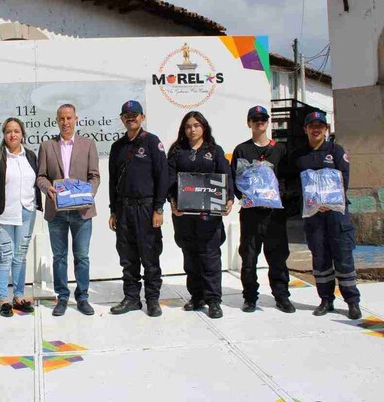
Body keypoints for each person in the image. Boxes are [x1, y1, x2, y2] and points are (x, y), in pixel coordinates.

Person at [290, 111, 361, 319]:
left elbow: (344, 179)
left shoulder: (336, 151)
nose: (316, 129)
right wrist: (310, 200)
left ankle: (352, 302)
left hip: (336, 213)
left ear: (326, 129)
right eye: (312, 125)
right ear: (305, 129)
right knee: (320, 258)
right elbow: (294, 183)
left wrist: (327, 201)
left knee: (343, 256)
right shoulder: (299, 156)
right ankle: (326, 300)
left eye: (320, 125)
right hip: (313, 215)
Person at [167, 111, 233, 319]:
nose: (192, 129)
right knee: (190, 256)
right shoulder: (177, 151)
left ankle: (213, 300)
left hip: (209, 215)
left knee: (210, 256)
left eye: (196, 125)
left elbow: (226, 177)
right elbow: (168, 180)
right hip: (184, 215)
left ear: (204, 127)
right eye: (188, 126)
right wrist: (172, 202)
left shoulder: (214, 151)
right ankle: (197, 296)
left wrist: (228, 199)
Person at [37, 104, 100, 317]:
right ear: (57, 120)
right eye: (62, 118)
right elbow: (41, 176)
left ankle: (82, 297)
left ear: (76, 119)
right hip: (57, 211)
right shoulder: (47, 146)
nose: (66, 122)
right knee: (59, 257)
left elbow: (94, 176)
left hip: (82, 211)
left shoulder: (88, 144)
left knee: (82, 256)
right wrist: (48, 188)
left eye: (69, 118)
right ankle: (62, 297)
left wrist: (87, 193)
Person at [231, 106, 295, 314]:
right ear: (248, 123)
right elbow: (235, 180)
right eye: (255, 119)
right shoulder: (242, 150)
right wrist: (247, 198)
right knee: (249, 257)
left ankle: (281, 296)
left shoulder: (280, 150)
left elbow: (287, 178)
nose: (259, 122)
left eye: (263, 119)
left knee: (277, 256)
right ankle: (250, 297)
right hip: (251, 213)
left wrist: (278, 195)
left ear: (268, 122)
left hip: (274, 214)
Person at [108, 100, 169, 317]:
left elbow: (163, 177)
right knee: (127, 256)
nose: (130, 118)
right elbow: (113, 181)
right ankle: (132, 298)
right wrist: (113, 211)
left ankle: (152, 299)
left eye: (134, 114)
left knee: (150, 255)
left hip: (146, 208)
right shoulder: (117, 147)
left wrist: (159, 209)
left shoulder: (152, 143)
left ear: (142, 117)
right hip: (124, 210)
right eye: (126, 115)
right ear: (122, 119)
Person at [0, 117, 42, 317]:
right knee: (5, 256)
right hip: (1, 214)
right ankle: (4, 298)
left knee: (20, 256)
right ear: (4, 135)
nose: (12, 135)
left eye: (16, 131)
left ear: (22, 134)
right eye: (8, 131)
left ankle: (19, 296)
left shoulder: (30, 156)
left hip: (26, 212)